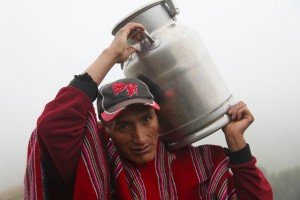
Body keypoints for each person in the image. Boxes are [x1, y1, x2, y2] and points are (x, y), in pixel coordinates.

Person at [25, 22, 273, 200]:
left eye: (146, 119)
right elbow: (52, 126)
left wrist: (237, 143)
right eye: (123, 126)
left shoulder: (200, 165)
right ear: (106, 130)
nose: (141, 138)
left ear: (159, 117)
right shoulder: (100, 167)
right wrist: (110, 55)